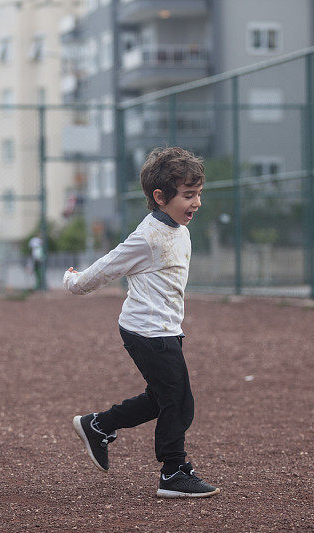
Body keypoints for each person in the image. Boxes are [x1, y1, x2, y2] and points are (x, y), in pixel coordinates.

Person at [63, 147, 219, 498]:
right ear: (160, 197)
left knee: (161, 397)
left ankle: (98, 425)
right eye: (189, 195)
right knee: (178, 401)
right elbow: (108, 265)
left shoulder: (179, 228)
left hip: (165, 330)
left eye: (198, 194)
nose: (197, 203)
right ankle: (173, 472)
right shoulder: (147, 237)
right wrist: (74, 282)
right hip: (148, 333)